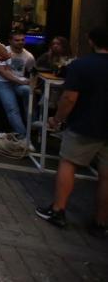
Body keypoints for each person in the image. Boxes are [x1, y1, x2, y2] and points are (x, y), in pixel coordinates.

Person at [36, 26, 108, 238]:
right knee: (106, 177)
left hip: (84, 124)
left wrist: (57, 119)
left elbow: (69, 98)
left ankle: (58, 210)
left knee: (68, 163)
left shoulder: (81, 65)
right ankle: (101, 221)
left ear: (91, 41)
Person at [0, 31, 35, 137]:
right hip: (2, 82)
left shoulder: (28, 56)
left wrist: (33, 84)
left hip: (18, 83)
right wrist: (21, 81)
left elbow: (33, 72)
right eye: (17, 40)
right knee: (12, 108)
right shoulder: (3, 51)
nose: (20, 42)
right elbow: (2, 71)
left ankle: (33, 121)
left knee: (29, 92)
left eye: (22, 40)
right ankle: (23, 136)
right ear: (10, 41)